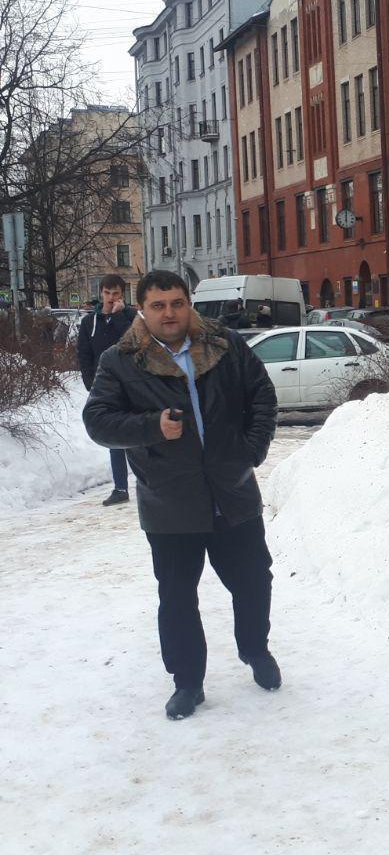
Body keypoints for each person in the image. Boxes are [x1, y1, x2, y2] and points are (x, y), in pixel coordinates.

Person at [83, 270, 281, 721]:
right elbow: (98, 421)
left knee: (254, 580)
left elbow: (262, 397)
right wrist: (151, 427)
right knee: (177, 597)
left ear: (188, 303)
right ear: (142, 310)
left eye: (176, 303)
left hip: (232, 492)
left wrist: (251, 450)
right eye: (158, 305)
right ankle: (188, 683)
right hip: (169, 500)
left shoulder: (225, 345)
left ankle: (255, 650)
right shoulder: (120, 360)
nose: (169, 313)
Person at [77, 275, 139, 508]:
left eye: (116, 294)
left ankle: (150, 480)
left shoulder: (131, 317)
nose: (111, 298)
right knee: (114, 436)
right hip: (104, 388)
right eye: (107, 293)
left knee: (139, 433)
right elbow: (84, 355)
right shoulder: (89, 322)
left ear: (123, 295)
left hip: (132, 385)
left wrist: (119, 316)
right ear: (101, 293)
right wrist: (90, 384)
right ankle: (120, 488)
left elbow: (133, 343)